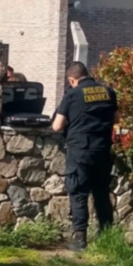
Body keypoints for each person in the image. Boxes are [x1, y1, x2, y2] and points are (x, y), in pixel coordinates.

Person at [51, 62, 120, 251]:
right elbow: (117, 119)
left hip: (80, 150)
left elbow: (57, 126)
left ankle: (80, 240)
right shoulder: (108, 92)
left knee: (79, 193)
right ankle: (107, 236)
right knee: (101, 193)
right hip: (103, 150)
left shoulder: (72, 94)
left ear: (72, 80)